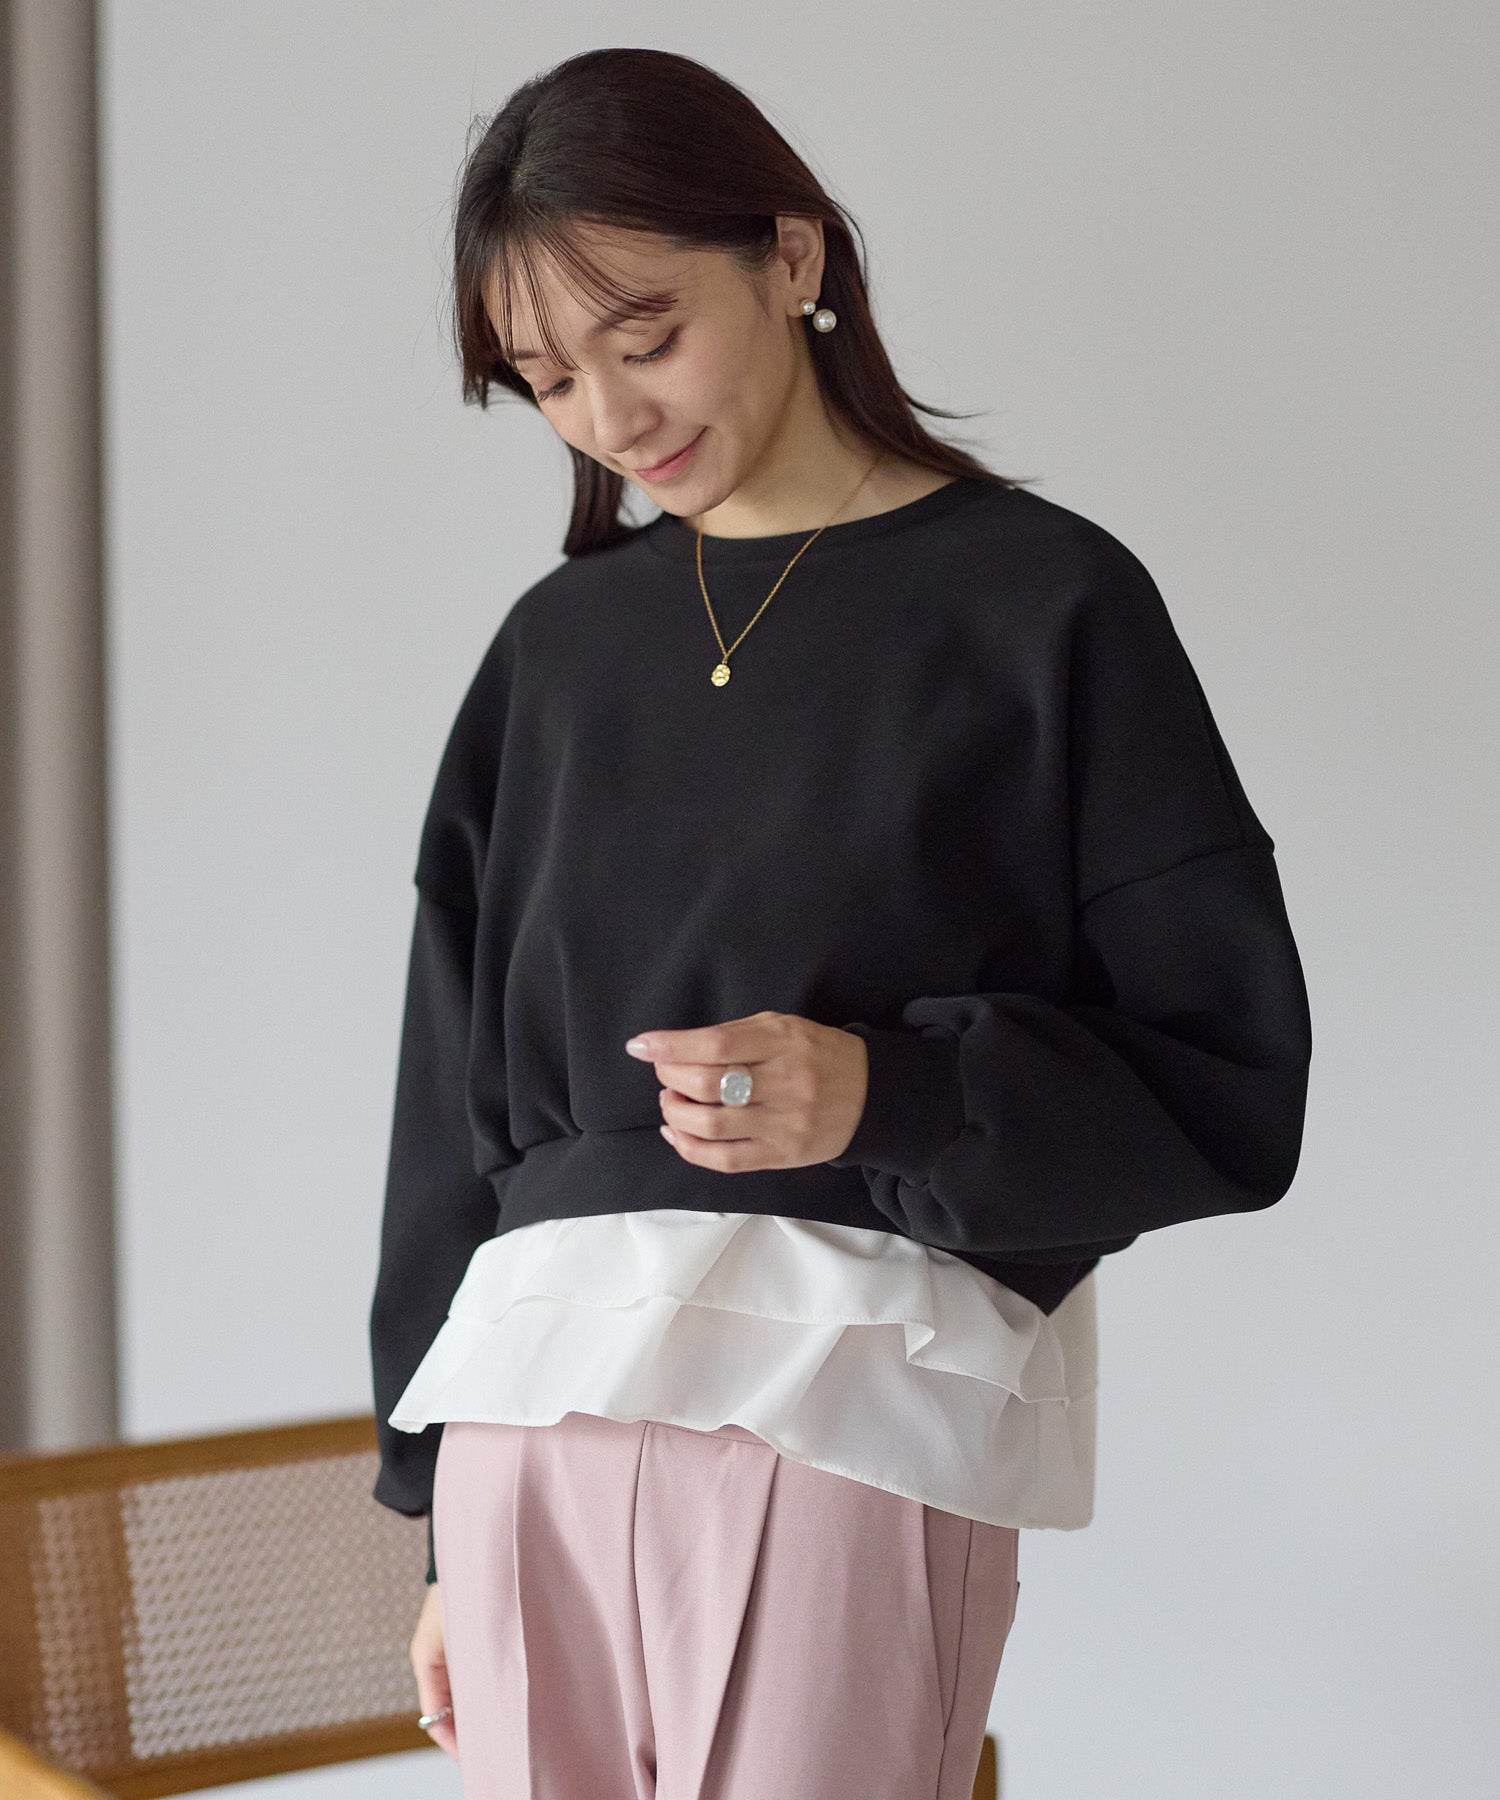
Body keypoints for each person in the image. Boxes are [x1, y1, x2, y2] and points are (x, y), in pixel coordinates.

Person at [367, 44, 1313, 1800]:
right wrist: (433, 1522)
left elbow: (1230, 1082)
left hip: (851, 1403)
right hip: (528, 1427)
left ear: (791, 257)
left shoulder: (1047, 605)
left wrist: (892, 1095)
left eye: (644, 337)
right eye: (548, 380)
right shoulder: (554, 655)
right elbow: (451, 1114)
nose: (609, 418)